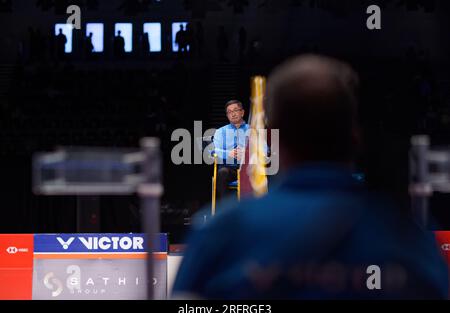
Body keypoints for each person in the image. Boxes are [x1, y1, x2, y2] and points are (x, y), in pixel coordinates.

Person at [172, 55, 449, 299]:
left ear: (274, 137)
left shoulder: (219, 234)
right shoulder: (411, 240)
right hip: (232, 167)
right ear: (356, 136)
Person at [213, 100, 249, 200]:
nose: (233, 114)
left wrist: (247, 154)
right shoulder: (220, 131)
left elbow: (265, 149)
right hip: (229, 168)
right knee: (222, 173)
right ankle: (227, 207)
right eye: (229, 112)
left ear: (242, 112)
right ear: (227, 115)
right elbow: (214, 151)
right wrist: (229, 153)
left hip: (249, 168)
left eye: (235, 110)